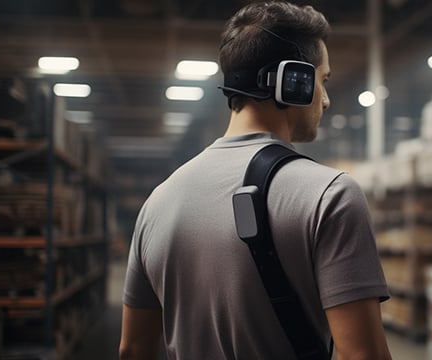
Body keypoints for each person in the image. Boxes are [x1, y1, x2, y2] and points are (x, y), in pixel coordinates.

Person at [119, 2, 392, 359]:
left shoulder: (158, 201)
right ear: (294, 82)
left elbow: (133, 349)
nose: (325, 101)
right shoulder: (332, 195)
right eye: (322, 81)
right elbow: (362, 356)